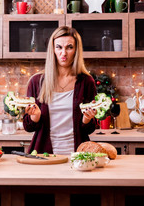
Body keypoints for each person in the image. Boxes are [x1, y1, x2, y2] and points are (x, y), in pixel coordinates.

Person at [23, 26, 97, 155]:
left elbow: (90, 128)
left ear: (76, 50)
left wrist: (87, 118)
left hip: (78, 155)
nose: (64, 53)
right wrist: (35, 116)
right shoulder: (36, 82)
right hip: (44, 154)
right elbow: (28, 127)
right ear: (52, 49)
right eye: (59, 47)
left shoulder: (86, 82)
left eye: (69, 47)